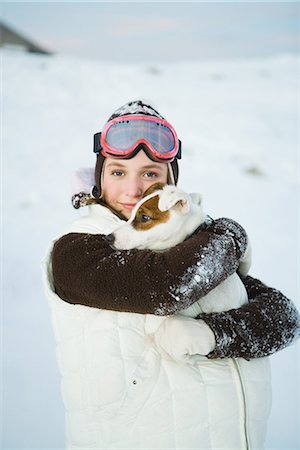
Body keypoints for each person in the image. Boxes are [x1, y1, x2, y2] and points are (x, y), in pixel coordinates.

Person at [42, 100, 300, 450]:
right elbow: (168, 286)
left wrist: (214, 335)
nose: (133, 191)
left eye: (150, 174)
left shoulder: (192, 245)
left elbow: (283, 318)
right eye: (118, 172)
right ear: (99, 179)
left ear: (169, 184)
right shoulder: (77, 250)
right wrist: (230, 237)